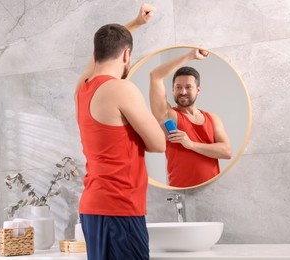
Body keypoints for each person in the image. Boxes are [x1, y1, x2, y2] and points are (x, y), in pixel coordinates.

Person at [75, 4, 165, 260]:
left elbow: (97, 59)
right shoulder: (122, 89)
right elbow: (159, 144)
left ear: (96, 53)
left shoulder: (81, 89)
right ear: (127, 55)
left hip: (92, 209)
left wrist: (135, 24)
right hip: (121, 208)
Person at [149, 48, 232, 188]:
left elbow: (226, 151)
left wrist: (191, 144)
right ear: (172, 89)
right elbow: (155, 76)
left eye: (188, 87)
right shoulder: (169, 115)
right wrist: (190, 55)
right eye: (178, 87)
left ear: (198, 90)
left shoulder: (213, 118)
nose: (183, 92)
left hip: (213, 192)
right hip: (182, 193)